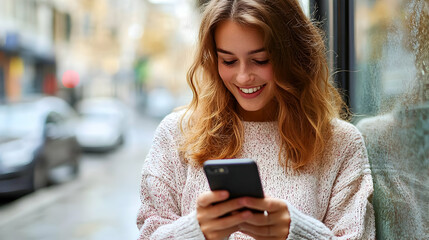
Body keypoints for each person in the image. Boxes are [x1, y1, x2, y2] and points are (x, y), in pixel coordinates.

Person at [136, 0, 375, 239]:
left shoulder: (340, 143)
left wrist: (297, 232)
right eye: (228, 61)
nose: (243, 76)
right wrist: (195, 231)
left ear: (293, 54)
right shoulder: (176, 134)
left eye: (261, 60)